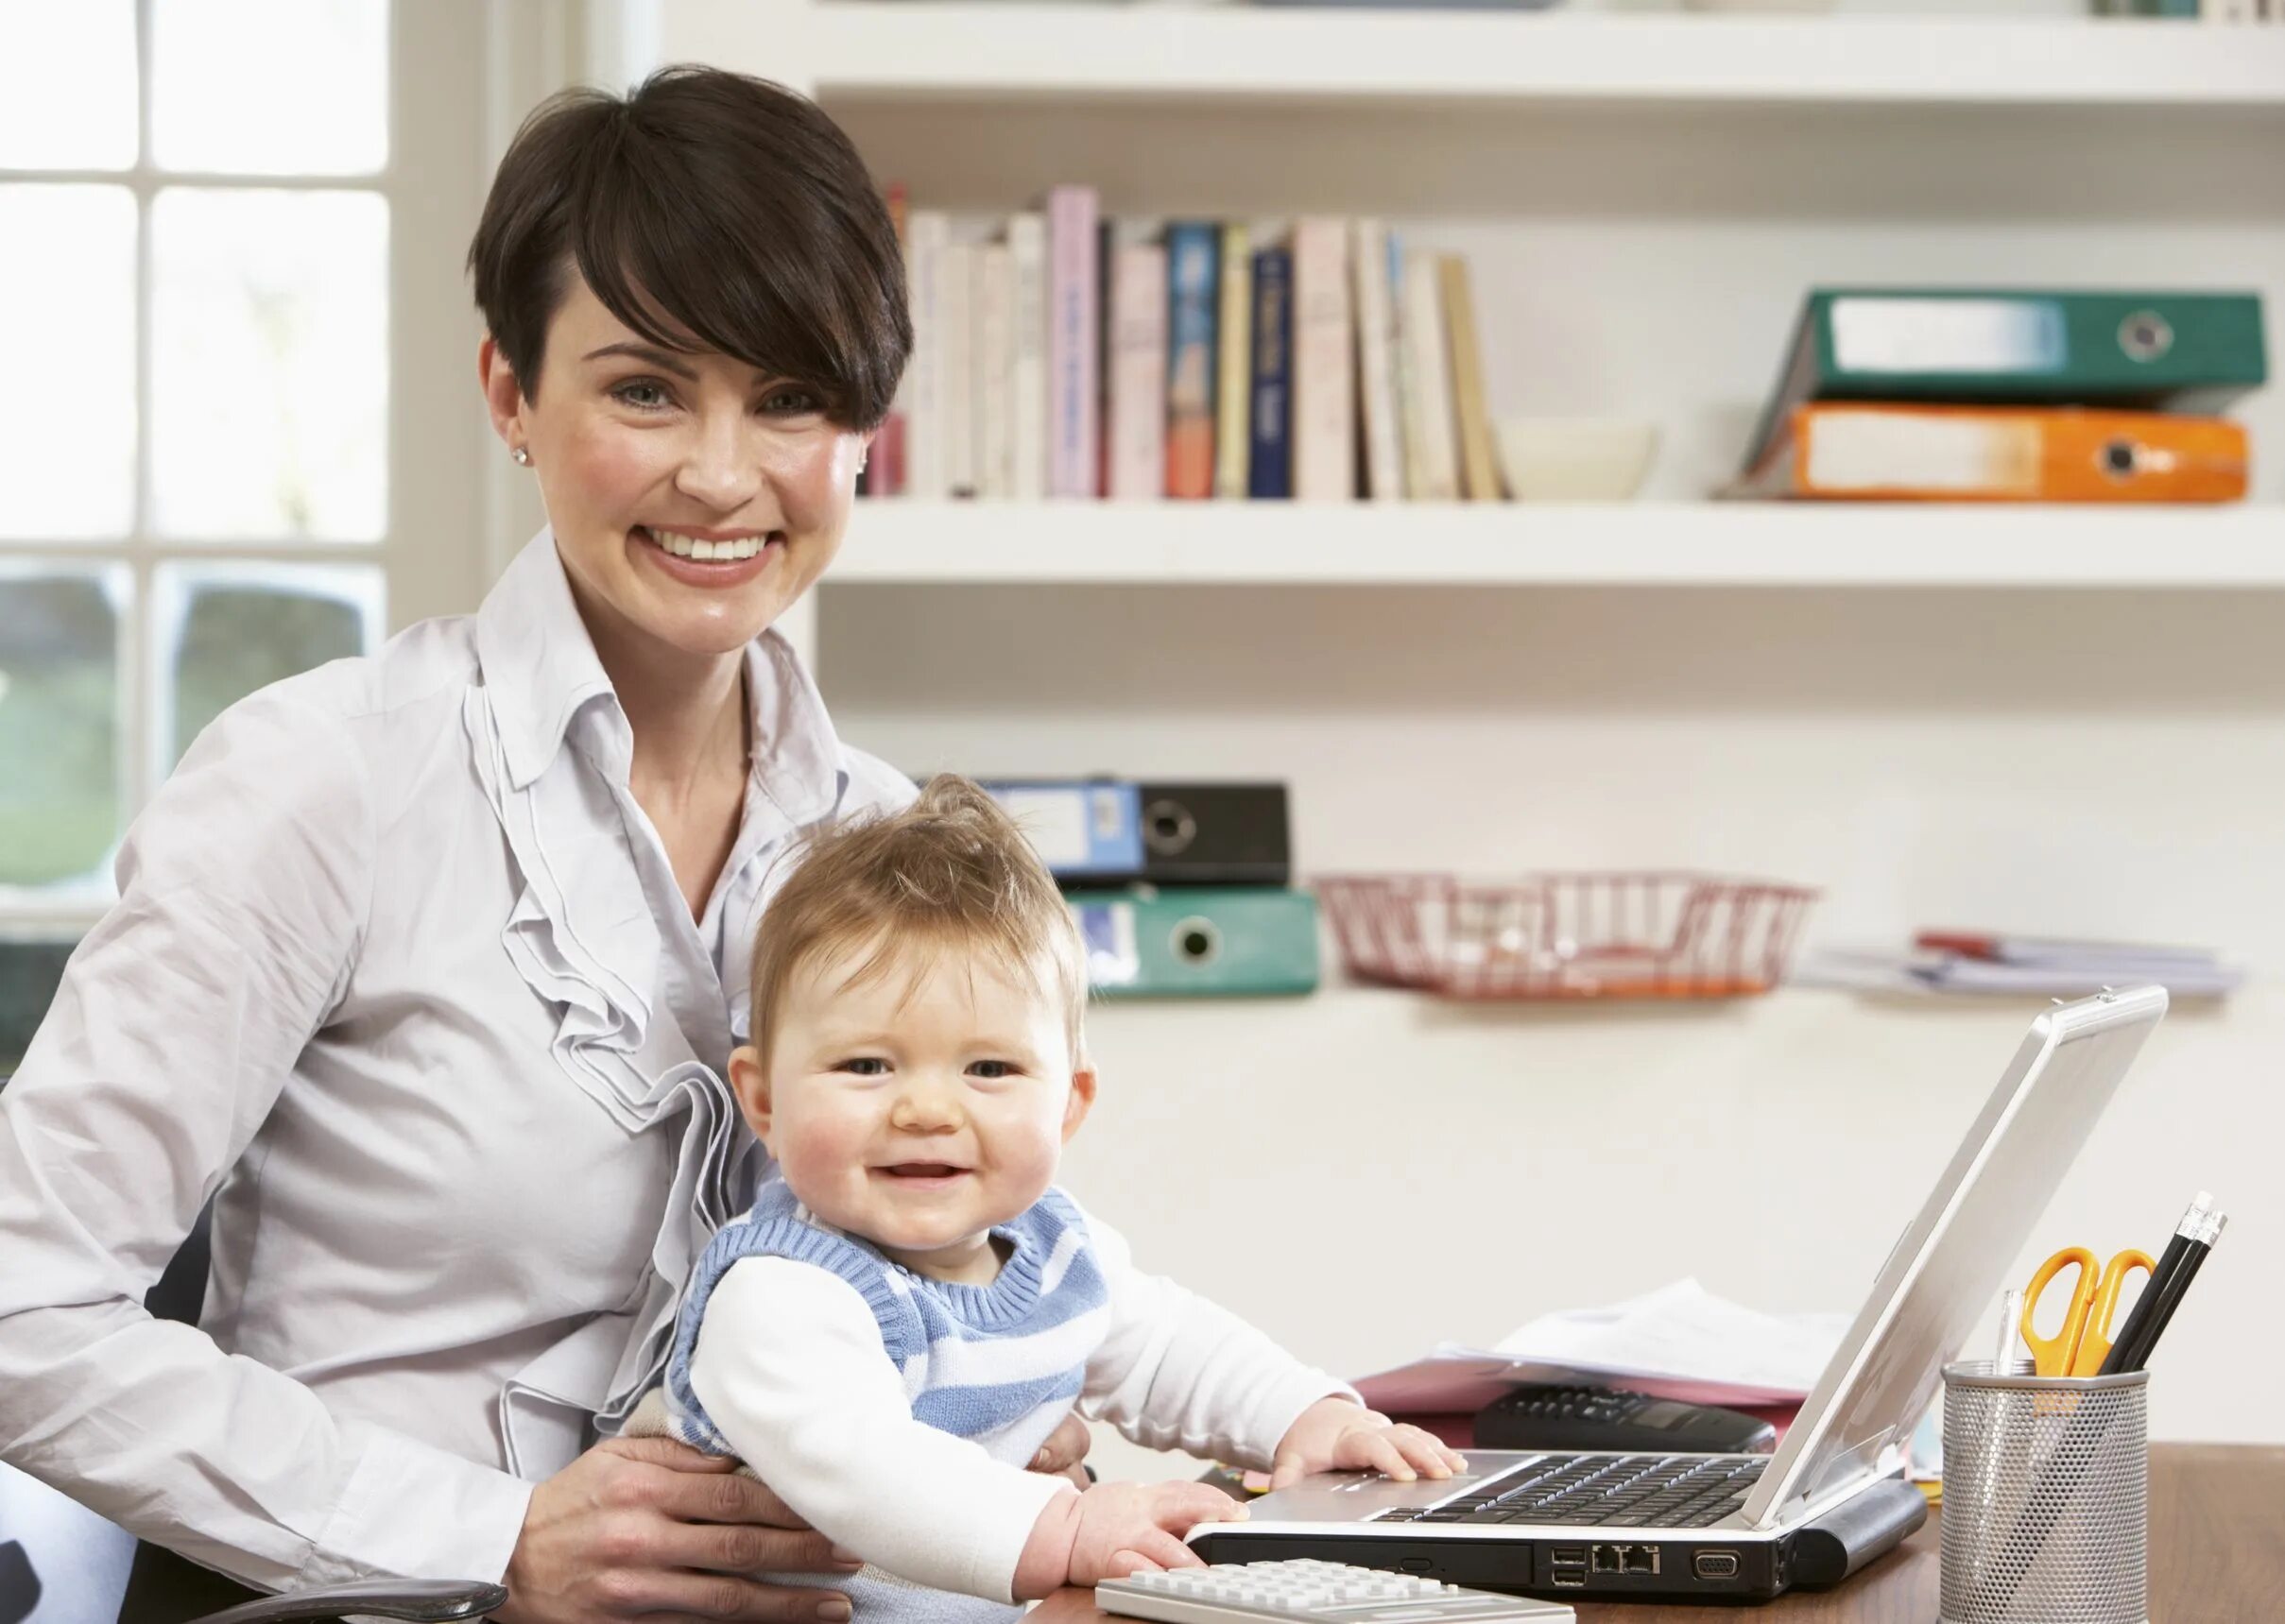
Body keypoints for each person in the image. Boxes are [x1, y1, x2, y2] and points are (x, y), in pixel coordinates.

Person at [0, 67, 1090, 1624]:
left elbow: (955, 1257)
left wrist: (995, 1415)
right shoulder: (327, 779)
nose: (722, 473)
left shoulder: (886, 842)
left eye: (789, 398)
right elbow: (20, 1303)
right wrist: (492, 1531)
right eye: (645, 390)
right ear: (511, 393)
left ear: (860, 435)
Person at [621, 777, 1466, 1619]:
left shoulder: (1058, 1252)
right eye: (866, 1065)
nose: (926, 1109)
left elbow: (1170, 1348)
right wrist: (1069, 1525)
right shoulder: (780, 1292)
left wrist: (1300, 1416)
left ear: (1069, 1102)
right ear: (764, 1099)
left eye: (988, 1068)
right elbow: (868, 1470)